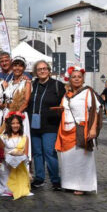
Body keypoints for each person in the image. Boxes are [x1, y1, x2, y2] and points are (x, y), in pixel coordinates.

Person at [55, 66, 100, 195]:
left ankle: (82, 186)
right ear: (69, 79)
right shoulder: (66, 94)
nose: (76, 79)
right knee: (68, 159)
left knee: (82, 158)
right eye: (74, 77)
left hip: (81, 129)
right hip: (66, 129)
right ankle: (69, 184)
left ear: (83, 79)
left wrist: (93, 129)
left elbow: (95, 111)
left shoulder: (88, 92)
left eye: (79, 77)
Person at [27, 60, 65, 190]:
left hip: (50, 125)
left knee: (49, 152)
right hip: (34, 124)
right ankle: (39, 178)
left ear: (49, 70)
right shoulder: (33, 85)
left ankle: (55, 180)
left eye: (44, 69)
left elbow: (64, 103)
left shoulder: (57, 85)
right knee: (37, 153)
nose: (42, 71)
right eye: (39, 69)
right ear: (36, 72)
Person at [3, 56, 32, 157]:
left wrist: (16, 114)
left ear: (24, 68)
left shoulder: (27, 82)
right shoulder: (9, 82)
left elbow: (26, 101)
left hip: (19, 115)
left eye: (20, 66)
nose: (17, 68)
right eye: (15, 65)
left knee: (20, 140)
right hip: (7, 113)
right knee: (8, 140)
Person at [0, 112, 31, 200]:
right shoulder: (3, 137)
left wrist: (18, 157)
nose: (15, 125)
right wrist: (9, 157)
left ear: (20, 124)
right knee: (8, 188)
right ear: (9, 124)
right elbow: (0, 153)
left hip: (20, 164)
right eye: (13, 123)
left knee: (22, 188)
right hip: (7, 165)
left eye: (17, 123)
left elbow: (26, 154)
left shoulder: (24, 137)